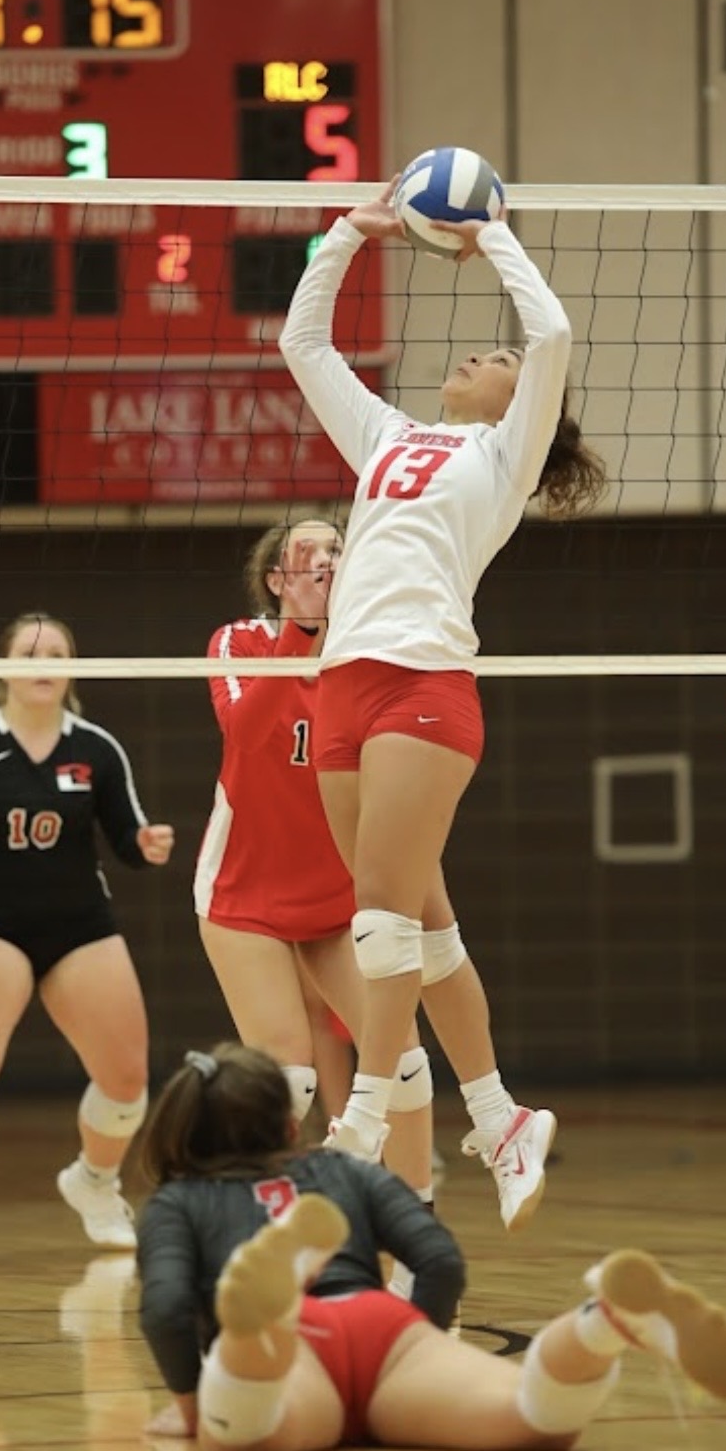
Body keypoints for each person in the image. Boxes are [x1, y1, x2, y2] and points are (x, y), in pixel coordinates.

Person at [278, 181, 606, 1228]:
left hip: (424, 686)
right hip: (341, 682)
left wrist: (490, 233)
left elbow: (548, 329)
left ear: (523, 403)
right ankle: (503, 1114)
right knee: (424, 927)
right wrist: (346, 236)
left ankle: (363, 1116)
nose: (479, 355)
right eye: (481, 352)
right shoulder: (384, 434)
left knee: (378, 914)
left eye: (493, 359)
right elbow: (302, 344)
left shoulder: (503, 456)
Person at [136, 1043, 726, 1451]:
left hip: (294, 1349)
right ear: (290, 1128)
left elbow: (165, 1309)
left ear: (181, 1131)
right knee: (536, 1419)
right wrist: (414, 1349)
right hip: (380, 1327)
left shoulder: (176, 1203)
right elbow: (438, 1259)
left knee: (236, 1436)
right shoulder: (340, 1171)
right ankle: (603, 1324)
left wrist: (189, 1408)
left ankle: (260, 1331)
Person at [0, 610, 174, 1263]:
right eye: (30, 650)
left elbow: (126, 837)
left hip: (81, 925)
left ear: (72, 668)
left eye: (57, 651)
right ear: (5, 670)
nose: (44, 660)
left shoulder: (96, 749)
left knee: (127, 1078)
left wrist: (145, 845)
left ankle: (95, 1183)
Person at [196, 512, 431, 1205]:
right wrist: (298, 635)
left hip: (336, 897)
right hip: (246, 896)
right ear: (276, 580)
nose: (328, 559)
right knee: (286, 1076)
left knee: (406, 1064)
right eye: (309, 552)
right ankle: (261, 1213)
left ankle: (417, 1216)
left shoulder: (372, 658)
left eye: (338, 548)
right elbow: (246, 731)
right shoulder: (239, 640)